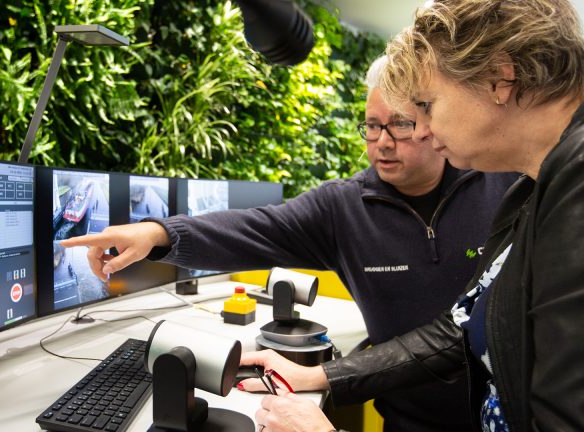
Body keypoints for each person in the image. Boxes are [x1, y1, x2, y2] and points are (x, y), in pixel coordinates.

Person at [61, 56, 518, 431]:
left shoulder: (504, 187)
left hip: (509, 414)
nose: (381, 142)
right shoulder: (344, 208)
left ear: (434, 125)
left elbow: (466, 332)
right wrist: (159, 235)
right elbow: (253, 229)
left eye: (399, 125)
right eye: (371, 126)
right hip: (407, 420)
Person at [245, 0, 584, 431]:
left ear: (500, 78)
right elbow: (461, 328)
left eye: (425, 103)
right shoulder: (534, 187)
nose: (422, 128)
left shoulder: (576, 182)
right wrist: (322, 375)